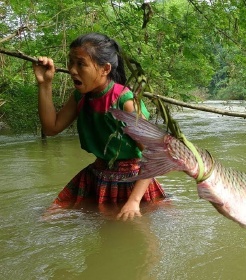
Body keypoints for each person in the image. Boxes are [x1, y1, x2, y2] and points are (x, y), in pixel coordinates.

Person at [33, 32, 167, 220]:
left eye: (81, 64)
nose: (72, 70)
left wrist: (134, 201)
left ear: (105, 69)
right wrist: (45, 84)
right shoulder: (81, 96)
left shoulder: (125, 102)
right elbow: (51, 128)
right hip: (97, 175)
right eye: (71, 62)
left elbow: (154, 156)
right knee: (48, 218)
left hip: (133, 180)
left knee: (135, 230)